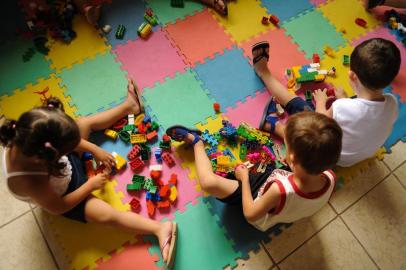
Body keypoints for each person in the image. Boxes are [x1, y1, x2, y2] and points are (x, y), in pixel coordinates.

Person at [0, 79, 176, 268]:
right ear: (50, 156)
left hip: (64, 167)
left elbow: (70, 141)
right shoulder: (32, 180)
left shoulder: (33, 135)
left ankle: (130, 107)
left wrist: (93, 148)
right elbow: (58, 206)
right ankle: (160, 229)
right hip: (65, 195)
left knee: (83, 123)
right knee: (105, 216)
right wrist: (89, 186)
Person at [165, 111, 342, 231]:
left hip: (257, 197)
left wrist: (243, 180)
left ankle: (197, 143)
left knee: (208, 183)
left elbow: (250, 214)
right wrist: (290, 169)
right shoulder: (330, 176)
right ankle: (270, 126)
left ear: (293, 159)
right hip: (280, 180)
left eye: (287, 146)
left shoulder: (279, 190)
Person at [252, 38, 400, 167]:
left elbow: (320, 119)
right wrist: (344, 99)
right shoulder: (393, 103)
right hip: (355, 158)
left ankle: (265, 79)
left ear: (352, 75)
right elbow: (364, 116)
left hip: (331, 156)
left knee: (305, 113)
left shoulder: (341, 107)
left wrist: (321, 102)